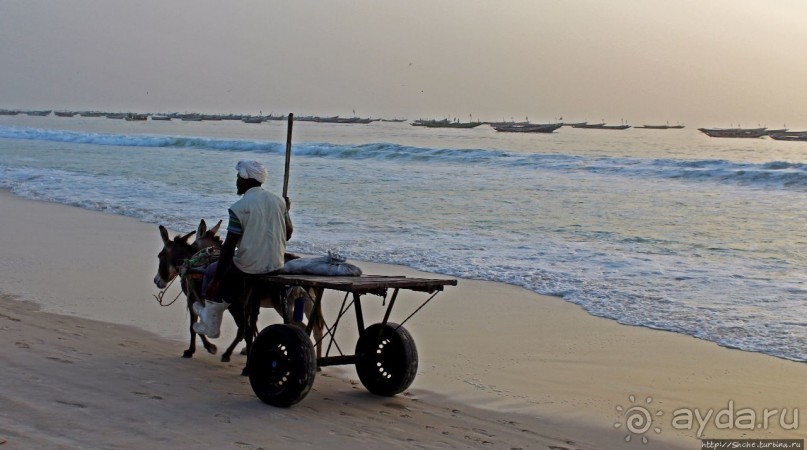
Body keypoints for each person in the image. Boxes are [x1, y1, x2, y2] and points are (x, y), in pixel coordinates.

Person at [193, 160, 293, 338]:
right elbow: (288, 233)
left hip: (249, 267)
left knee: (209, 271)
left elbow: (229, 247)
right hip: (276, 264)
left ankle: (211, 325)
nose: (236, 182)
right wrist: (287, 211)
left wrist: (216, 280)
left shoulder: (239, 208)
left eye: (238, 178)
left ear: (245, 180)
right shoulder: (279, 201)